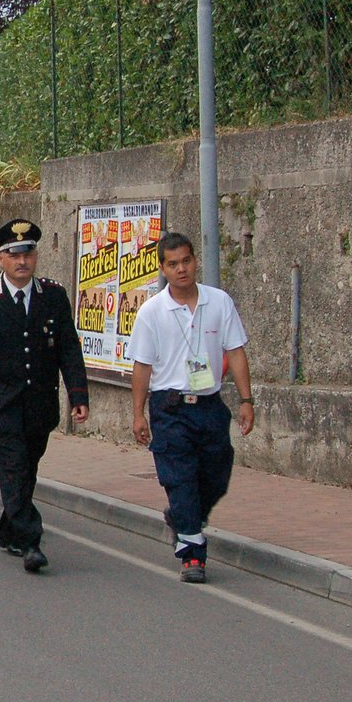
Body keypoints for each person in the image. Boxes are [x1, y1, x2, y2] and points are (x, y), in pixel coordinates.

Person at [0, 219, 89, 573]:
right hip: (0, 404)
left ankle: (9, 529)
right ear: (0, 258)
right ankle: (31, 541)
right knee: (13, 468)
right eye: (13, 254)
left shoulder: (53, 296)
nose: (22, 261)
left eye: (27, 252)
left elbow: (68, 349)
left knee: (27, 470)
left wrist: (78, 394)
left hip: (39, 403)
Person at [129, 232, 255, 584]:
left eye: (186, 261)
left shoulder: (219, 302)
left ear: (195, 260)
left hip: (209, 405)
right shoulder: (152, 312)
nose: (181, 269)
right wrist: (138, 413)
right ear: (162, 268)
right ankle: (192, 552)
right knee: (180, 479)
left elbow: (236, 352)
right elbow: (142, 366)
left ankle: (183, 517)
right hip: (169, 408)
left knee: (216, 475)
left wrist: (246, 400)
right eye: (173, 264)